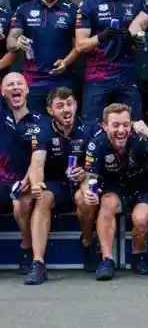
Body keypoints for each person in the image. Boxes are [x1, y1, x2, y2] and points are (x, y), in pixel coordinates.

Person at [80, 103, 148, 281]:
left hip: (145, 187)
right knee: (107, 202)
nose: (122, 130)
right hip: (114, 188)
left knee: (141, 218)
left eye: (126, 124)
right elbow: (89, 177)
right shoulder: (96, 144)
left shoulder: (141, 137)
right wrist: (88, 191)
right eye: (115, 125)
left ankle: (138, 255)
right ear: (104, 126)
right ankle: (107, 260)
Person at [23, 87, 92, 285]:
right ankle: (38, 263)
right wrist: (37, 184)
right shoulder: (43, 130)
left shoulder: (88, 128)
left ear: (76, 105)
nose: (66, 109)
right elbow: (37, 162)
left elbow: (95, 163)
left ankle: (87, 241)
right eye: (60, 106)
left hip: (81, 182)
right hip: (56, 186)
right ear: (50, 110)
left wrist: (85, 173)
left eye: (69, 104)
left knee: (85, 198)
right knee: (42, 198)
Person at [75, 0, 146, 130]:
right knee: (91, 128)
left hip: (126, 73)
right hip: (97, 74)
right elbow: (80, 45)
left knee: (134, 126)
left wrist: (136, 39)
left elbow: (144, 38)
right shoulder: (89, 4)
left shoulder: (136, 3)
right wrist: (100, 37)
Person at [7, 0, 80, 114]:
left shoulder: (73, 10)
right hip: (32, 81)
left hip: (62, 80)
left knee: (63, 123)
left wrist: (66, 62)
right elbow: (10, 42)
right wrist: (18, 42)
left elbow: (79, 45)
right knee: (33, 124)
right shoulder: (24, 9)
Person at [0, 72, 42, 275]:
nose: (15, 87)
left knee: (20, 203)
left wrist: (29, 177)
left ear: (27, 90)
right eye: (10, 85)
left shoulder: (40, 121)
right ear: (2, 92)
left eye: (19, 84)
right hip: (1, 181)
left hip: (26, 181)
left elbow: (39, 155)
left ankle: (27, 246)